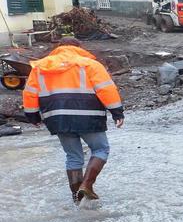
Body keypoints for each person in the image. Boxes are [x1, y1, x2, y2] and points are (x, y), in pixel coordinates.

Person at [21, 38, 124, 203]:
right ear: (79, 47)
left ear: (58, 47)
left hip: (58, 118)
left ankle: (77, 198)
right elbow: (106, 89)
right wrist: (117, 112)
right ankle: (87, 185)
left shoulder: (40, 67)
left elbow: (30, 92)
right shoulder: (90, 64)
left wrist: (32, 115)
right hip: (88, 117)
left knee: (73, 156)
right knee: (100, 149)